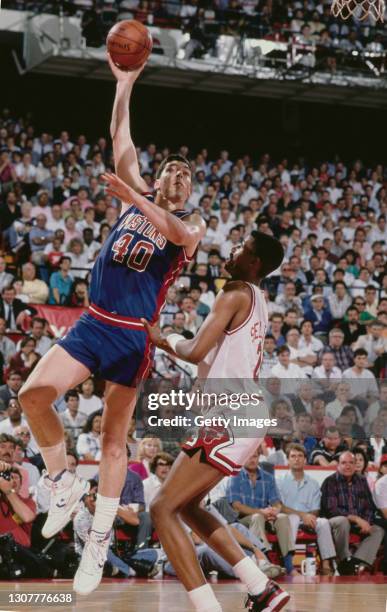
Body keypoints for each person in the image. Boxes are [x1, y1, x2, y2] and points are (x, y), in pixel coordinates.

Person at [18, 54, 206, 597]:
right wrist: (124, 83)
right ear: (160, 176)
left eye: (185, 174)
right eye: (171, 169)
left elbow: (175, 234)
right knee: (33, 396)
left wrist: (136, 202)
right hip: (93, 321)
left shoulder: (189, 222)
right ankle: (60, 483)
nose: (176, 175)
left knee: (112, 439)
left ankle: (99, 536)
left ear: (189, 190)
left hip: (131, 333)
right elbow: (120, 136)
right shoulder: (139, 191)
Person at [142, 231, 290, 611]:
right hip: (242, 412)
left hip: (232, 414)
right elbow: (212, 356)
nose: (233, 249)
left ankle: (207, 606)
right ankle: (262, 588)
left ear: (253, 262)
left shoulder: (235, 291)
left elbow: (194, 350)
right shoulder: (258, 298)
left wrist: (163, 338)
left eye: (241, 247)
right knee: (188, 507)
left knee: (161, 507)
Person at [320, 451, 384, 575]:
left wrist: (366, 522)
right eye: (344, 463)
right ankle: (343, 559)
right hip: (335, 521)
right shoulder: (330, 481)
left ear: (355, 465)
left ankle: (354, 562)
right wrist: (355, 519)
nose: (348, 466)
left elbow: (369, 506)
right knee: (343, 521)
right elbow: (331, 510)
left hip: (358, 523)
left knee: (378, 530)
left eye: (351, 463)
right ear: (338, 465)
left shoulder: (361, 480)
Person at [278, 443, 337, 575]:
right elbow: (279, 507)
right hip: (286, 521)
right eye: (293, 456)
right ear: (287, 460)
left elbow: (315, 510)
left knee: (323, 522)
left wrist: (307, 517)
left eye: (300, 456)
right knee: (292, 519)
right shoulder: (280, 481)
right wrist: (302, 515)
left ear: (305, 459)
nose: (297, 459)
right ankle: (289, 564)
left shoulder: (313, 483)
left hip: (308, 520)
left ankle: (326, 563)